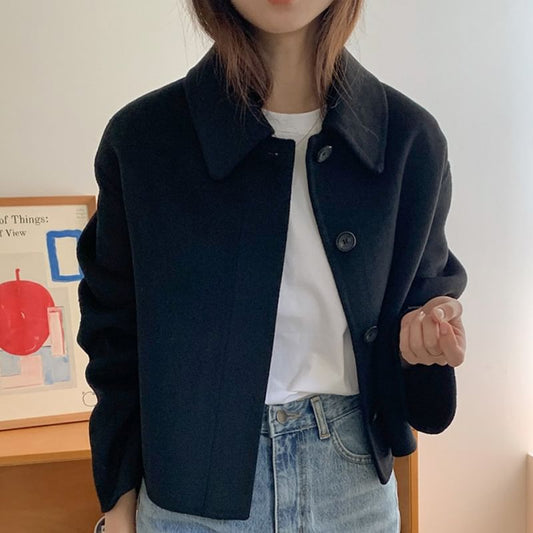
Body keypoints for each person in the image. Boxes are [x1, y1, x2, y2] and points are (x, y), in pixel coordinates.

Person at [76, 0, 468, 531]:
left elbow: (424, 299)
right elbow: (113, 332)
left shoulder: (409, 139)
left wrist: (426, 341)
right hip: (189, 491)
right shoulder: (144, 140)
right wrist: (119, 499)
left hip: (351, 487)